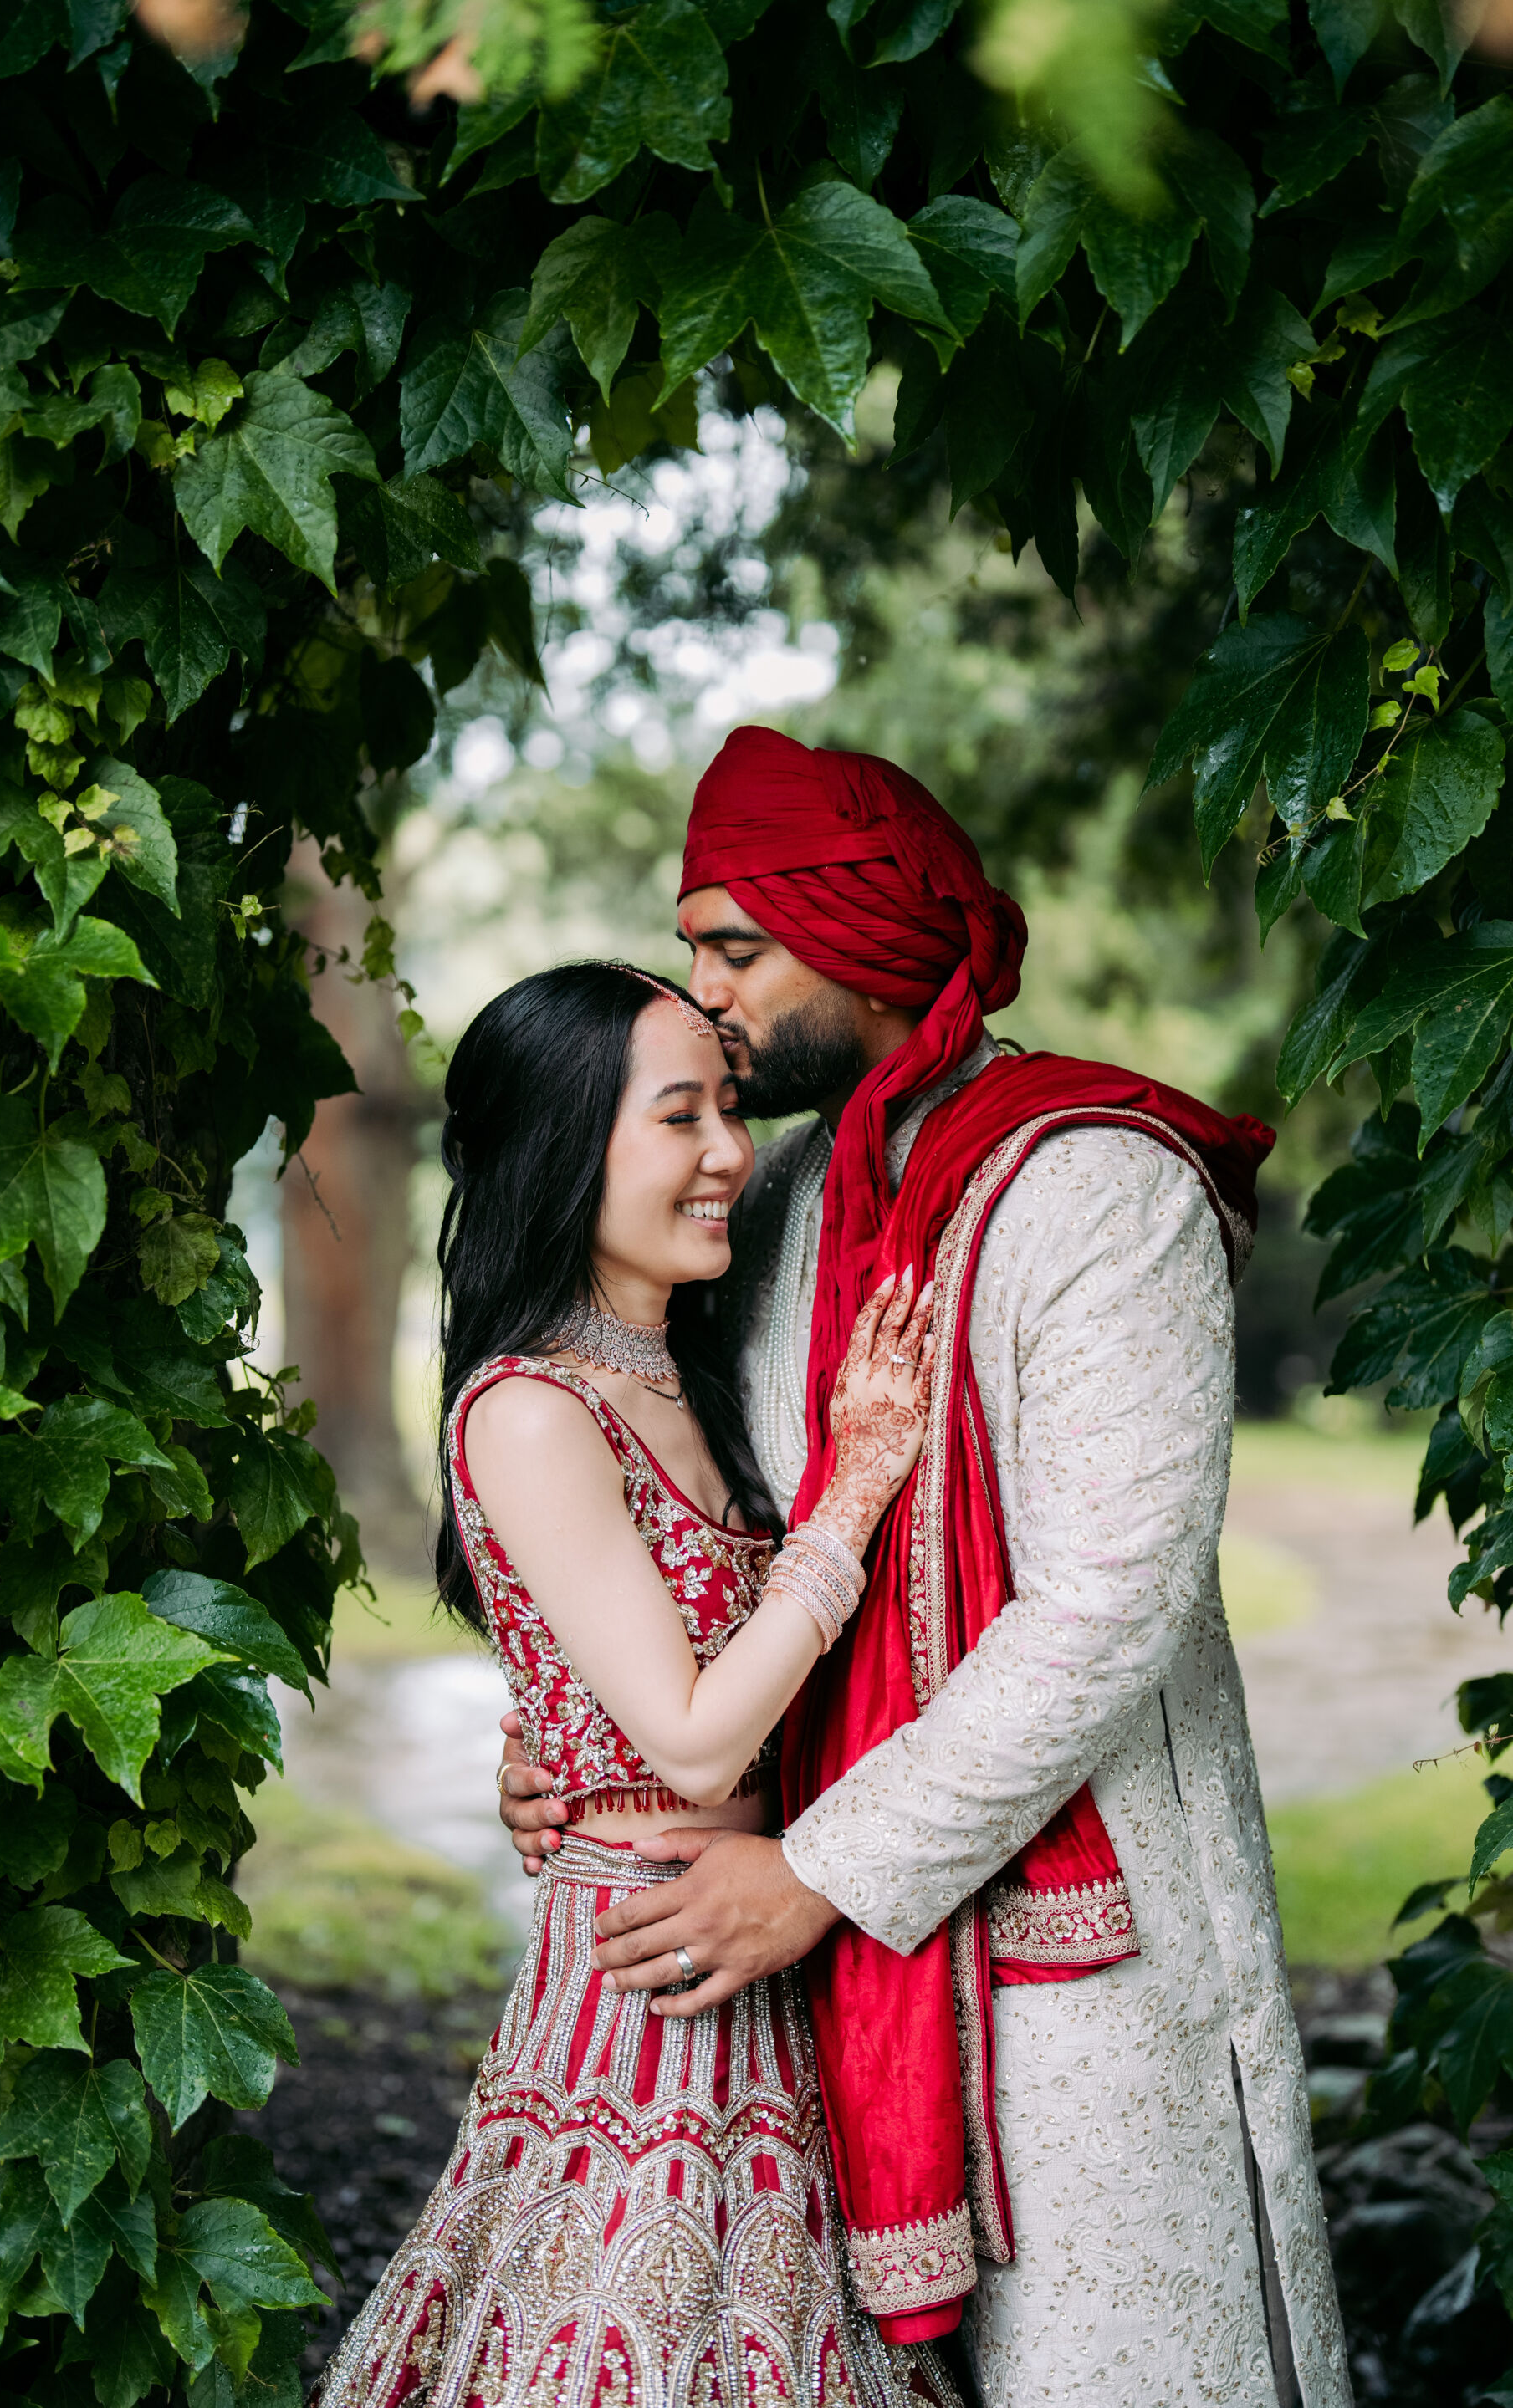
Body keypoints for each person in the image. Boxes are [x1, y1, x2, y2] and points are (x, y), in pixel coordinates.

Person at [498, 729, 1353, 2408]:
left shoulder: (1100, 1190)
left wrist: (820, 1873)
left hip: (1086, 1961)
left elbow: (1109, 1604)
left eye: (736, 951)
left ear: (866, 939)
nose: (703, 998)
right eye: (690, 951)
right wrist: (581, 1747)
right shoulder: (774, 1203)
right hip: (805, 1968)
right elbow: (707, 1539)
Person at [316, 959, 962, 2408]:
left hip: (762, 1948)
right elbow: (689, 1740)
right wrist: (857, 1490)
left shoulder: (689, 1368)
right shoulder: (531, 1409)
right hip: (642, 1986)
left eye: (730, 1108)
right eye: (682, 1117)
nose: (730, 1151)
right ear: (567, 1145)